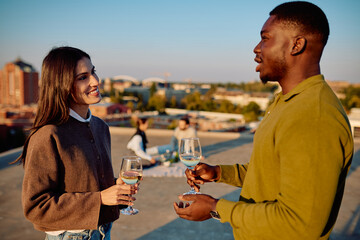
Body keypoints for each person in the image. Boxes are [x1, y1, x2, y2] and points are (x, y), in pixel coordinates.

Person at [174, 2, 354, 240]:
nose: (256, 48)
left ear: (297, 45)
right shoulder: (288, 102)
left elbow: (300, 224)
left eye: (265, 38)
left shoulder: (313, 116)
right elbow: (270, 174)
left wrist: (216, 208)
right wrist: (217, 172)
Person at [15, 46, 138, 239]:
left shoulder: (100, 127)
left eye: (93, 72)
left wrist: (116, 190)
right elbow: (36, 207)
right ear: (61, 84)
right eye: (83, 77)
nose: (95, 81)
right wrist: (99, 199)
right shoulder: (48, 135)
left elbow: (87, 188)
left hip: (103, 232)